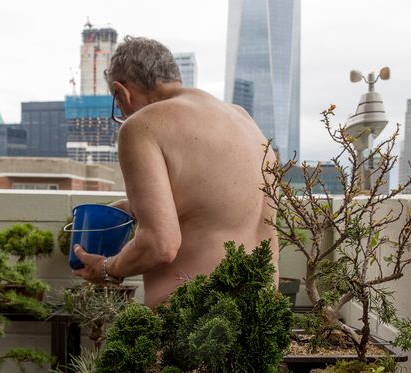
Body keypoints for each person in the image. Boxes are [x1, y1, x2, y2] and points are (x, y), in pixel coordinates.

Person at [72, 36, 278, 307]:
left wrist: (107, 268)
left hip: (194, 325)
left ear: (122, 92)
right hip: (262, 316)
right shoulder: (243, 119)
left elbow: (160, 246)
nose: (122, 114)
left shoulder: (142, 125)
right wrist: (134, 208)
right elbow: (214, 206)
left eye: (118, 105)